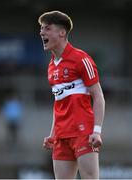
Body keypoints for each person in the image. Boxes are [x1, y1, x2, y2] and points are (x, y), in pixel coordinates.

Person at [38, 11, 105, 179]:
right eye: (41, 29)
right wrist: (53, 134)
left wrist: (96, 131)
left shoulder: (81, 59)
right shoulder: (51, 66)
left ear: (62, 32)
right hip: (61, 136)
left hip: (83, 133)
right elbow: (58, 103)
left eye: (47, 28)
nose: (41, 33)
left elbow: (98, 96)